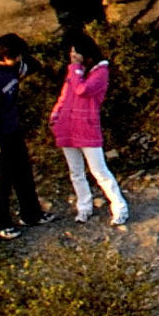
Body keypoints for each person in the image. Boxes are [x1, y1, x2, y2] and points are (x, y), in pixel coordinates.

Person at [49, 33, 128, 226]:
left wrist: (75, 69)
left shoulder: (100, 72)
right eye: (71, 52)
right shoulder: (75, 71)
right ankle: (84, 207)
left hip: (86, 128)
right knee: (76, 172)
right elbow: (65, 94)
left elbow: (82, 90)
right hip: (67, 126)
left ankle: (120, 208)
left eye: (76, 52)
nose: (72, 56)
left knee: (99, 171)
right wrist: (55, 115)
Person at [0, 33, 45, 238]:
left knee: (23, 174)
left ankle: (31, 214)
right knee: (1, 180)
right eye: (17, 56)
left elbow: (35, 66)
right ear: (6, 56)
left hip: (13, 130)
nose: (19, 60)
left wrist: (24, 58)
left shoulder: (14, 68)